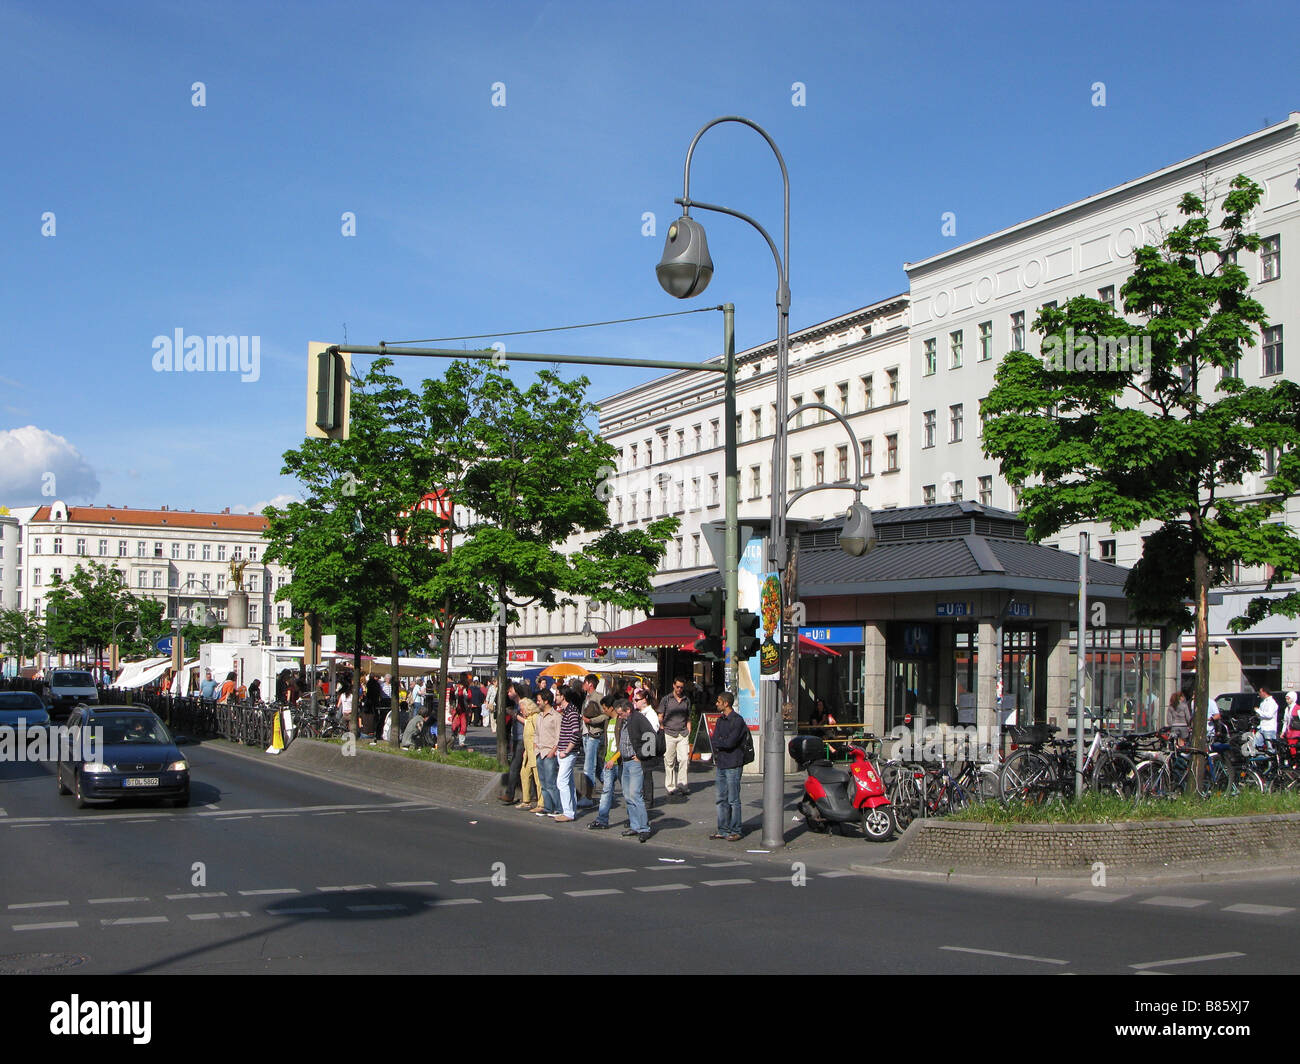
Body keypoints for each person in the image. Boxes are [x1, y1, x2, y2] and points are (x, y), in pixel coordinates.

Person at [709, 690, 746, 841]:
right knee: (721, 798)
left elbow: (731, 742)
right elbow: (714, 739)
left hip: (733, 763)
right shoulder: (720, 720)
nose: (716, 704)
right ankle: (723, 829)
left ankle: (736, 829)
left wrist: (721, 743)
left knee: (733, 799)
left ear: (726, 703)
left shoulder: (737, 720)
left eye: (718, 701)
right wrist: (721, 743)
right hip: (722, 763)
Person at [616, 698, 652, 842]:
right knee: (628, 795)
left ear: (628, 710)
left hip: (635, 762)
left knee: (635, 794)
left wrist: (642, 755)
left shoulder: (638, 719)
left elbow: (651, 736)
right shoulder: (626, 721)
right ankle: (635, 825)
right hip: (625, 762)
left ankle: (644, 828)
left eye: (621, 714)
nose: (619, 716)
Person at [550, 685, 583, 822]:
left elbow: (576, 733)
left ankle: (568, 812)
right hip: (563, 751)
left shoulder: (572, 712)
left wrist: (567, 750)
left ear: (563, 696)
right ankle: (571, 810)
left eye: (557, 695)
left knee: (561, 781)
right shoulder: (567, 711)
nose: (555, 697)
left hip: (568, 753)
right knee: (568, 782)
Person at [589, 694, 621, 830]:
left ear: (611, 707)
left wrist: (615, 759)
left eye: (604, 708)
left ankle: (636, 821)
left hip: (620, 762)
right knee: (606, 791)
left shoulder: (621, 721)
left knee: (630, 793)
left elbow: (623, 744)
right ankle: (602, 820)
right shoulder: (607, 722)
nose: (603, 710)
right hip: (608, 761)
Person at [658, 676, 692, 798]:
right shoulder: (666, 699)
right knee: (669, 761)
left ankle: (682, 785)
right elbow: (660, 715)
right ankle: (670, 786)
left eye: (681, 687)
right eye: (677, 687)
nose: (679, 689)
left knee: (684, 759)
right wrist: (661, 727)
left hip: (682, 733)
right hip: (669, 733)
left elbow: (688, 715)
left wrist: (689, 728)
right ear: (673, 686)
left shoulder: (686, 700)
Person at [579, 674, 606, 806]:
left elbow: (605, 715)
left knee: (589, 766)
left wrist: (591, 721)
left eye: (584, 682)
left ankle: (588, 797)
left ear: (590, 684)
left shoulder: (598, 697)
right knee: (597, 767)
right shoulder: (586, 698)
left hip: (594, 735)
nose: (583, 685)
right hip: (586, 734)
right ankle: (608, 788)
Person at [533, 690, 562, 817]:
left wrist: (553, 751)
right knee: (543, 783)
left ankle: (559, 808)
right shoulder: (539, 716)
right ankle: (548, 807)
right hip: (539, 752)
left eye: (539, 700)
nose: (537, 702)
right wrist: (535, 746)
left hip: (549, 752)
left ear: (546, 701)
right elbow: (536, 733)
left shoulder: (556, 716)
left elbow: (559, 736)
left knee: (551, 783)